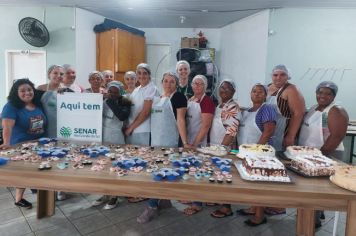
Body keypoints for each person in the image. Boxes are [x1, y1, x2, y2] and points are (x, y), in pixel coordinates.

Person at [211, 84, 277, 226]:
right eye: (254, 91)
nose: (257, 94)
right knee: (251, 183)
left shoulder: (267, 109)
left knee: (259, 184)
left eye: (260, 92)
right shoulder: (247, 111)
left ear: (266, 95)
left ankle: (259, 215)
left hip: (260, 153)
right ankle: (253, 207)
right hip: (245, 153)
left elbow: (268, 131)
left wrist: (257, 150)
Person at [137, 72, 190, 223]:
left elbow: (180, 120)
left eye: (172, 81)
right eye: (166, 81)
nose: (168, 84)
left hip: (170, 143)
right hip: (156, 143)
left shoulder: (179, 97)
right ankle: (165, 201)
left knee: (158, 175)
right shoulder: (158, 98)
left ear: (176, 84)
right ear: (162, 82)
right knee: (160, 172)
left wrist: (185, 143)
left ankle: (152, 206)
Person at [298, 81, 348, 229]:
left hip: (327, 153)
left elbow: (337, 136)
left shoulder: (336, 110)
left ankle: (313, 221)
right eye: (320, 92)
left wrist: (321, 155)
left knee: (319, 190)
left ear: (334, 96)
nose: (323, 96)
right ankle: (316, 211)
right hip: (310, 154)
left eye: (328, 93)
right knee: (310, 189)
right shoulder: (314, 108)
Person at [265, 64, 305, 215]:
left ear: (288, 76)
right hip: (269, 134)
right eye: (275, 75)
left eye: (282, 75)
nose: (278, 78)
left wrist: (290, 135)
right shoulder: (268, 88)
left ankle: (280, 205)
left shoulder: (291, 90)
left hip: (283, 133)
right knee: (268, 168)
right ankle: (267, 201)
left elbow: (298, 113)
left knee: (281, 170)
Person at [0, 79, 47, 209]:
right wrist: (6, 143)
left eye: (29, 90)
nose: (27, 93)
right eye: (22, 90)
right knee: (23, 174)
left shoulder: (37, 104)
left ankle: (35, 191)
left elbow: (46, 88)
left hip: (40, 144)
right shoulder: (11, 106)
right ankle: (19, 199)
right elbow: (7, 127)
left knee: (38, 171)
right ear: (16, 93)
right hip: (20, 146)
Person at [92, 80, 132, 210]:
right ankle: (105, 193)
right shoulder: (102, 101)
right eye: (110, 91)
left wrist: (110, 100)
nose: (112, 94)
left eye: (115, 92)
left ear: (120, 92)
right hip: (103, 136)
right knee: (103, 166)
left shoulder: (125, 102)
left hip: (116, 138)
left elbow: (121, 116)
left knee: (115, 166)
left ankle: (115, 195)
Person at [183, 75, 215, 216]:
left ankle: (197, 203)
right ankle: (192, 198)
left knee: (199, 172)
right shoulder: (190, 100)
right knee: (191, 170)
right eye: (194, 83)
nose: (196, 86)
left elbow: (206, 125)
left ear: (205, 86)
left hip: (199, 142)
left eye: (200, 84)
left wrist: (195, 144)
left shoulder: (207, 101)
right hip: (189, 140)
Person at [125, 63, 158, 145]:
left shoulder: (151, 89)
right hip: (132, 129)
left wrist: (130, 128)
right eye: (139, 73)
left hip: (143, 130)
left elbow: (146, 112)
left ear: (149, 75)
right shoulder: (137, 89)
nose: (141, 76)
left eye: (145, 73)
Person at [209, 79, 240, 147]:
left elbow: (231, 132)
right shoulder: (219, 106)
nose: (224, 90)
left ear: (233, 92)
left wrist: (221, 148)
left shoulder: (233, 107)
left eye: (228, 88)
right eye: (222, 87)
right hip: (213, 146)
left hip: (224, 147)